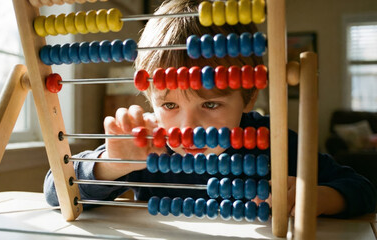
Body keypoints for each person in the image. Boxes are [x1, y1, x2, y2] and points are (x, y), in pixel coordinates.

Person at [44, 0, 376, 218]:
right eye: (169, 104)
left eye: (211, 103)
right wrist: (111, 166)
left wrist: (313, 197)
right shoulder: (142, 146)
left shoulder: (273, 142)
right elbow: (54, 191)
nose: (188, 126)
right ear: (150, 98)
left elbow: (363, 189)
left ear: (247, 98)